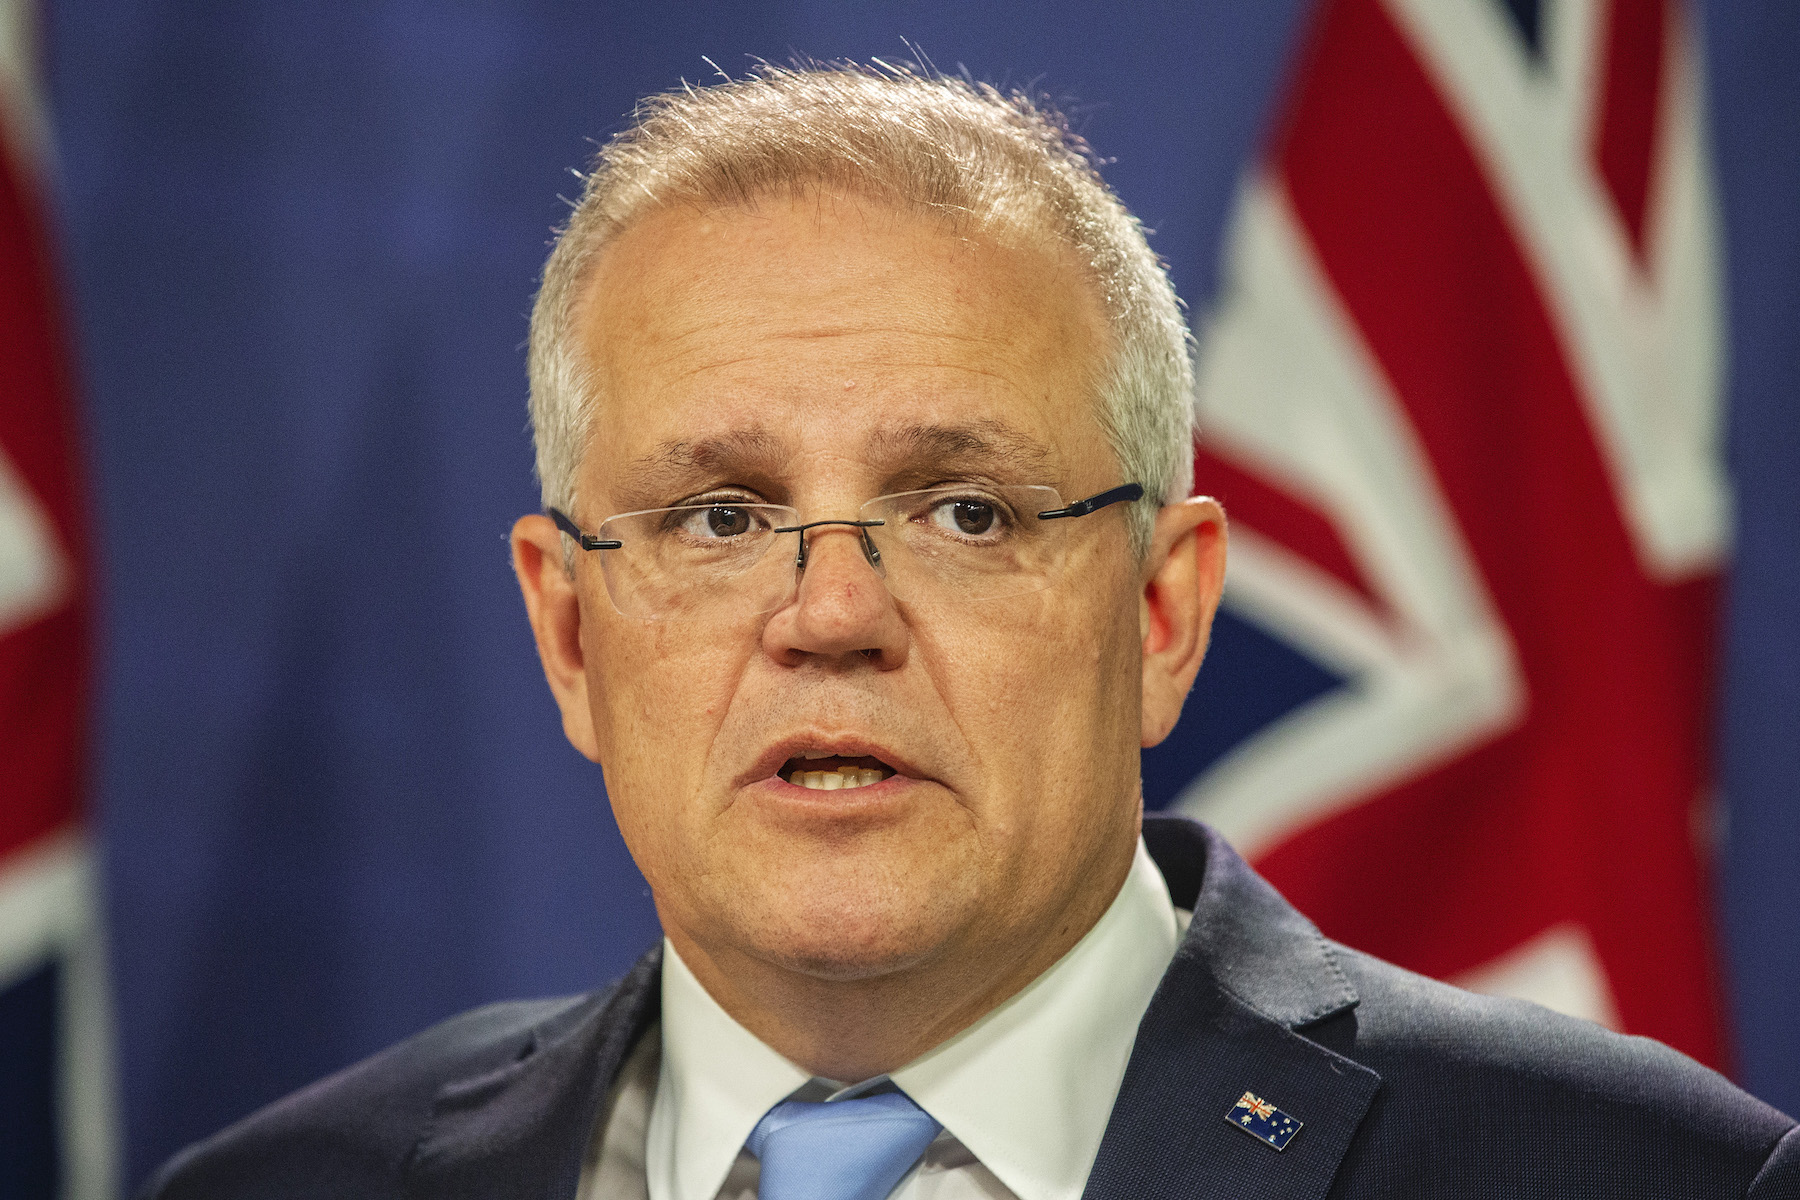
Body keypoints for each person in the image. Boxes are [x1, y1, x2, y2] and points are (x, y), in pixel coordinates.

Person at [143, 63, 1797, 1200]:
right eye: (720, 519)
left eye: (967, 512)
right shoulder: (280, 1189)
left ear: (1162, 610)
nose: (832, 614)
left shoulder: (1638, 1180)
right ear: (570, 634)